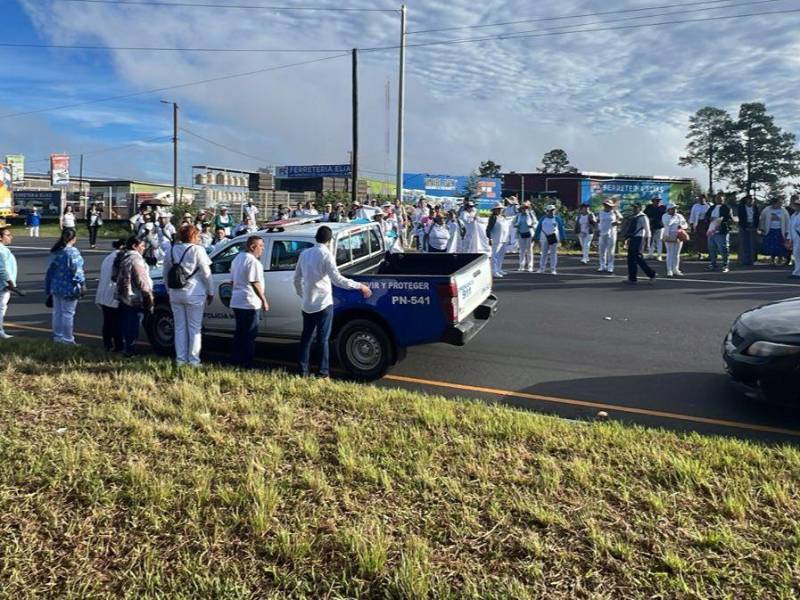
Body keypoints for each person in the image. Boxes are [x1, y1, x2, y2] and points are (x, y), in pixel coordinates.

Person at [293, 226, 372, 377]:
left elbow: (296, 279)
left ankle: (303, 371)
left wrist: (303, 295)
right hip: (323, 303)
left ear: (316, 238)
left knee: (306, 338)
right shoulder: (326, 255)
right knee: (323, 340)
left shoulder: (304, 254)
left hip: (307, 304)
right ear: (329, 240)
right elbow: (337, 280)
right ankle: (323, 373)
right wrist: (359, 286)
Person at [163, 224, 214, 367]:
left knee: (179, 328)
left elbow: (165, 273)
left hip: (175, 293)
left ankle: (180, 359)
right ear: (193, 236)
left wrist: (169, 290)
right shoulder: (198, 250)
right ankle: (194, 360)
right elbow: (206, 273)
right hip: (194, 292)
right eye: (197, 235)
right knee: (194, 328)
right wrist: (211, 291)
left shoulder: (171, 250)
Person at [230, 235, 269, 368]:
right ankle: (247, 363)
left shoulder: (237, 259)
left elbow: (232, 280)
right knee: (250, 334)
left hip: (237, 300)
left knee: (240, 333)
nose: (262, 249)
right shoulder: (253, 262)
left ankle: (236, 360)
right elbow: (255, 282)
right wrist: (263, 300)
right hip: (249, 302)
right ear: (252, 247)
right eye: (261, 246)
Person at [45, 229, 86, 344]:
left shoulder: (56, 251)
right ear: (74, 239)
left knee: (57, 312)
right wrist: (82, 284)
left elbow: (50, 271)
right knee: (68, 313)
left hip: (56, 285)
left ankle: (58, 336)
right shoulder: (73, 252)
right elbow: (77, 270)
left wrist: (48, 286)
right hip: (69, 286)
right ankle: (68, 339)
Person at [115, 236, 154, 357]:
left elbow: (114, 276)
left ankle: (127, 347)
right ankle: (130, 350)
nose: (144, 248)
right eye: (142, 246)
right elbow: (141, 279)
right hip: (134, 297)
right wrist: (148, 294)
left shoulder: (122, 257)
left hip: (124, 295)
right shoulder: (135, 259)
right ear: (134, 246)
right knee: (133, 324)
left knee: (126, 323)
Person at [95, 239, 126, 352]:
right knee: (116, 322)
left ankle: (107, 345)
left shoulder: (108, 258)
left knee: (108, 321)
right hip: (113, 293)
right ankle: (118, 346)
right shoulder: (121, 258)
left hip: (103, 293)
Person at [623, 203, 656, 284]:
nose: (634, 209)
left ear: (640, 208)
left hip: (639, 238)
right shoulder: (634, 217)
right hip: (633, 238)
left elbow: (647, 230)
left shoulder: (643, 217)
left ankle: (651, 274)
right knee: (631, 258)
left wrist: (648, 243)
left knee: (638, 258)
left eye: (636, 208)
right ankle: (632, 278)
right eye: (633, 207)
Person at [758, 195, 790, 266]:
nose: (779, 204)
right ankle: (772, 259)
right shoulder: (767, 209)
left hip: (780, 230)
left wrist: (787, 231)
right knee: (771, 246)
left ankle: (780, 259)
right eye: (778, 203)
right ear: (773, 203)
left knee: (780, 246)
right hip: (770, 230)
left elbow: (787, 221)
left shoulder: (784, 210)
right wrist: (762, 228)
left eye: (780, 203)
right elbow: (762, 219)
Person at [704, 193, 733, 272]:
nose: (718, 200)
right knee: (712, 248)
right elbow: (706, 216)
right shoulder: (712, 207)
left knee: (723, 249)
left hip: (721, 231)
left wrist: (721, 222)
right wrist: (709, 219)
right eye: (717, 198)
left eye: (720, 198)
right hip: (711, 231)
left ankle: (725, 265)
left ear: (724, 199)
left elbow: (729, 219)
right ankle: (713, 264)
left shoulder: (727, 208)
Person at [534, 204, 566, 275]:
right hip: (544, 237)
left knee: (553, 253)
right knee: (544, 253)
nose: (552, 212)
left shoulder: (557, 218)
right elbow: (538, 228)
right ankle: (541, 268)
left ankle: (553, 269)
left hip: (553, 237)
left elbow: (561, 228)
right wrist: (536, 237)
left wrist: (563, 238)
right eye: (550, 210)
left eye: (553, 210)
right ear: (547, 211)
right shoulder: (543, 218)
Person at [0, 225, 18, 339]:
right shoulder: (1, 250)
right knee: (1, 308)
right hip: (2, 285)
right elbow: (2, 269)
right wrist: (9, 281)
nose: (11, 237)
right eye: (8, 235)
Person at [596, 198, 622, 274]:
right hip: (602, 233)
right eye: (606, 205)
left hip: (612, 233)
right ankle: (602, 266)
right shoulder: (601, 212)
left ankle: (610, 266)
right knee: (601, 251)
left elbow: (621, 219)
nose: (607, 206)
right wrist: (597, 230)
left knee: (611, 251)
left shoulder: (614, 212)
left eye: (609, 205)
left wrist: (617, 222)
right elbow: (598, 221)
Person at [662, 203, 688, 277]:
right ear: (668, 210)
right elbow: (668, 223)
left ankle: (675, 269)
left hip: (678, 235)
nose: (674, 210)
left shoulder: (679, 216)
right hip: (669, 235)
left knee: (676, 254)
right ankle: (669, 270)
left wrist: (682, 226)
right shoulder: (665, 216)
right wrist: (674, 218)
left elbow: (685, 225)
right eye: (672, 209)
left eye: (675, 208)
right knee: (670, 253)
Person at [486, 202, 511, 277]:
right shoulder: (493, 218)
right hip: (496, 239)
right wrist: (489, 238)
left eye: (500, 209)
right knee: (495, 255)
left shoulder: (503, 217)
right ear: (494, 210)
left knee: (501, 255)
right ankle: (494, 271)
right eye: (498, 209)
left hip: (504, 239)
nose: (499, 210)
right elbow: (488, 229)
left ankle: (499, 269)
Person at [513, 202, 537, 272]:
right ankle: (521, 266)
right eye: (523, 208)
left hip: (529, 234)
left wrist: (532, 225)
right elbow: (513, 223)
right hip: (521, 234)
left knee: (529, 250)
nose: (525, 209)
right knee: (522, 251)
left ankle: (530, 267)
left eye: (526, 208)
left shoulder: (531, 214)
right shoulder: (518, 216)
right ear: (521, 209)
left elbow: (536, 222)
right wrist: (516, 225)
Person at [736, 194, 760, 266]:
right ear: (746, 200)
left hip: (753, 226)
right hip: (744, 226)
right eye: (749, 199)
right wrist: (745, 226)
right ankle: (743, 260)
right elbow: (741, 218)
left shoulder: (755, 207)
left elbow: (757, 218)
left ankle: (752, 260)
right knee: (743, 243)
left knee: (752, 244)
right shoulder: (741, 207)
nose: (751, 201)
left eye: (752, 199)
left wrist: (755, 226)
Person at [644, 196, 666, 261]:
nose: (658, 202)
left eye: (659, 200)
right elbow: (645, 215)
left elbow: (665, 216)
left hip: (660, 226)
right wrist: (649, 219)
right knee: (651, 240)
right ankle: (650, 254)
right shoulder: (649, 207)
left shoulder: (663, 207)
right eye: (656, 200)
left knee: (659, 240)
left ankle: (659, 255)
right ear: (653, 201)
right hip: (651, 226)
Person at [688, 194, 710, 259]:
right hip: (697, 224)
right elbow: (692, 215)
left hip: (706, 225)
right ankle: (699, 254)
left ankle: (709, 254)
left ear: (705, 199)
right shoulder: (695, 206)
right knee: (698, 239)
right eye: (699, 198)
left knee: (706, 240)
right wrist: (691, 224)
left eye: (701, 198)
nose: (700, 200)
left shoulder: (708, 206)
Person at [789, 196, 800, 278]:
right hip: (795, 238)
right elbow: (790, 227)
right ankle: (796, 272)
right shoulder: (793, 215)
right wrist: (790, 238)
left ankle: (798, 272)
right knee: (796, 254)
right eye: (795, 205)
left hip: (799, 236)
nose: (796, 206)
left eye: (798, 205)